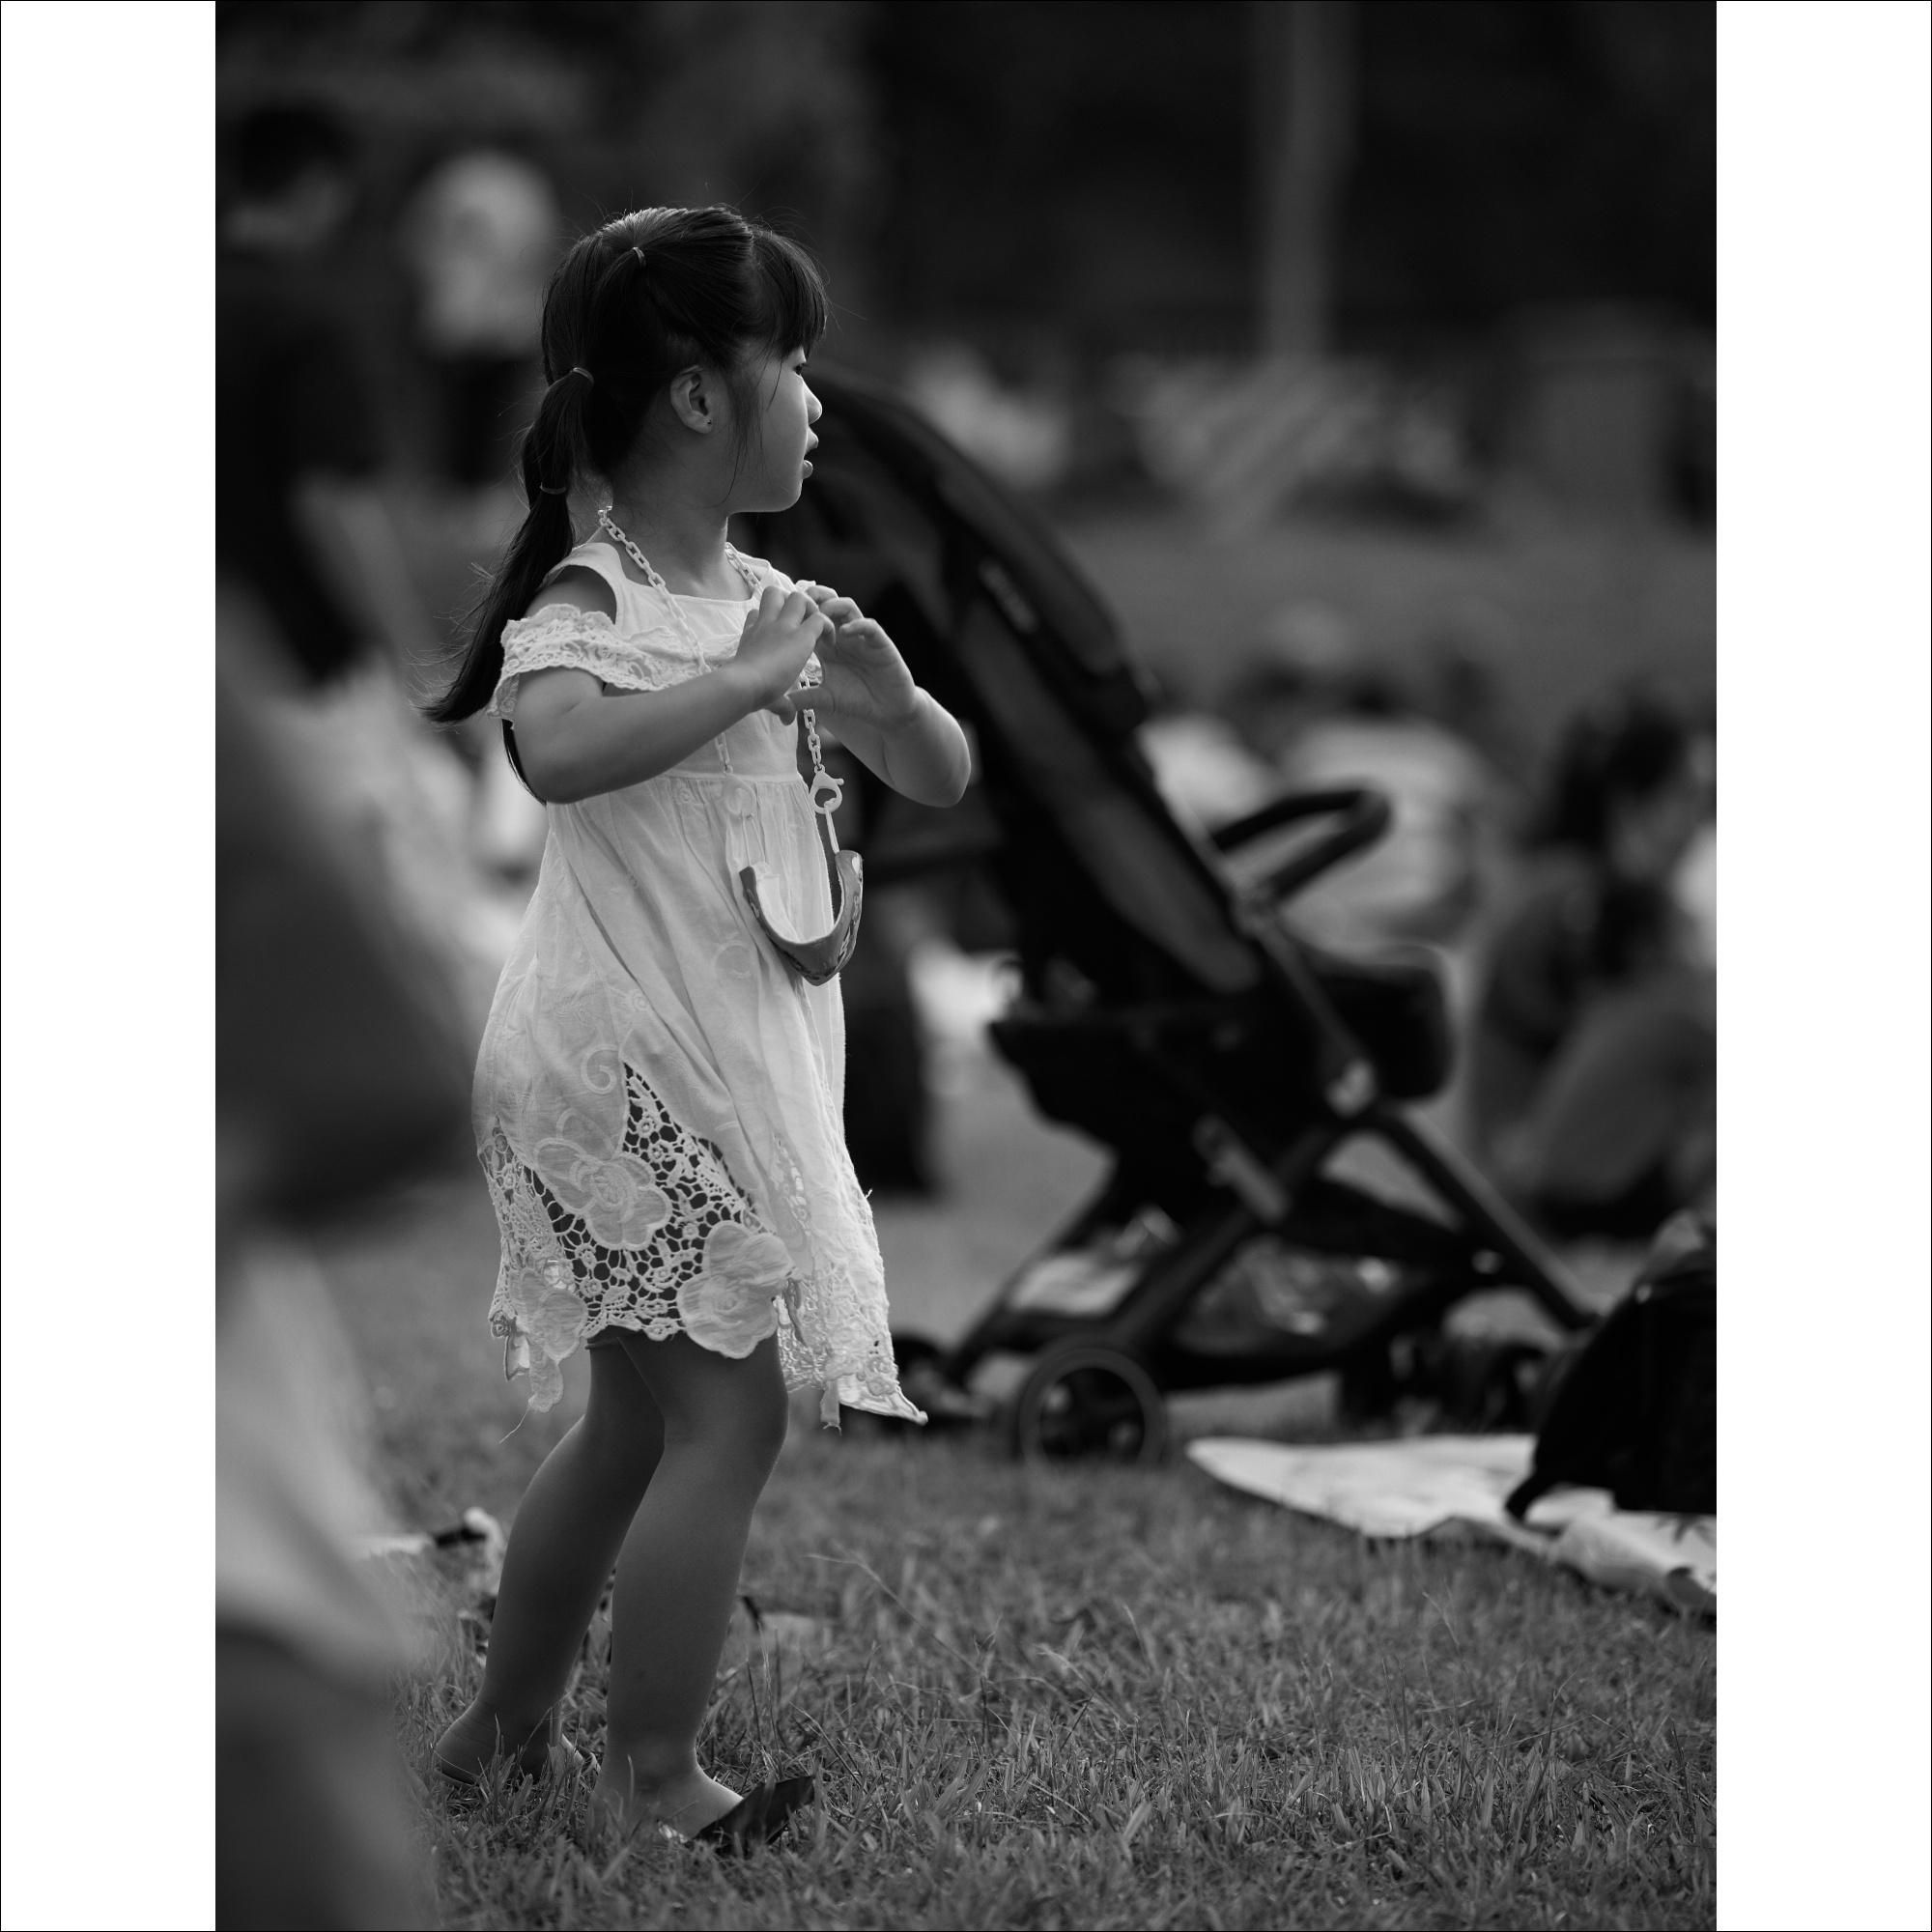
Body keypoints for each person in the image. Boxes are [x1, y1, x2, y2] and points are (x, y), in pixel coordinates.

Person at [422, 207, 971, 1846]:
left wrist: (884, 700)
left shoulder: (771, 599)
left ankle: (496, 1740)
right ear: (695, 396)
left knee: (638, 1425)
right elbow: (557, 753)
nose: (816, 397)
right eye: (791, 362)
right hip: (616, 1061)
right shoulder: (597, 595)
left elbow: (941, 774)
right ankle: (652, 1777)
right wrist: (742, 681)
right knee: (728, 1419)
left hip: (703, 1059)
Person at [1467, 683, 1716, 1241]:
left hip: (1561, 1166)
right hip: (1534, 1178)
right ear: (1630, 803)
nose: (1699, 822)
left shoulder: (1593, 895)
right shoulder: (1571, 902)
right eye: (1688, 797)